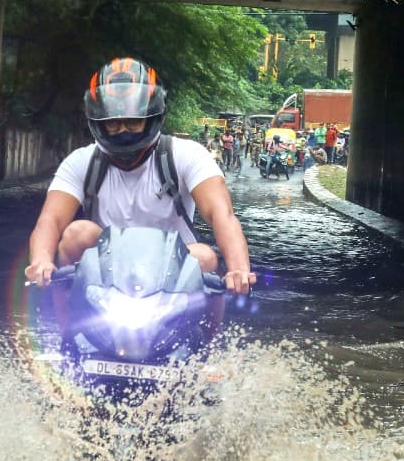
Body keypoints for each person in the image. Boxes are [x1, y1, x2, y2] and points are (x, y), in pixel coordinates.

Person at [24, 57, 256, 299]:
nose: (123, 130)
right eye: (113, 123)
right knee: (77, 233)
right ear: (99, 122)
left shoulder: (187, 154)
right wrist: (41, 261)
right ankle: (66, 323)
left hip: (175, 271)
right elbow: (50, 220)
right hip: (104, 271)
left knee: (205, 256)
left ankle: (211, 326)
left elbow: (222, 215)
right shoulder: (81, 161)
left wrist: (239, 270)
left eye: (133, 122)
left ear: (151, 117)